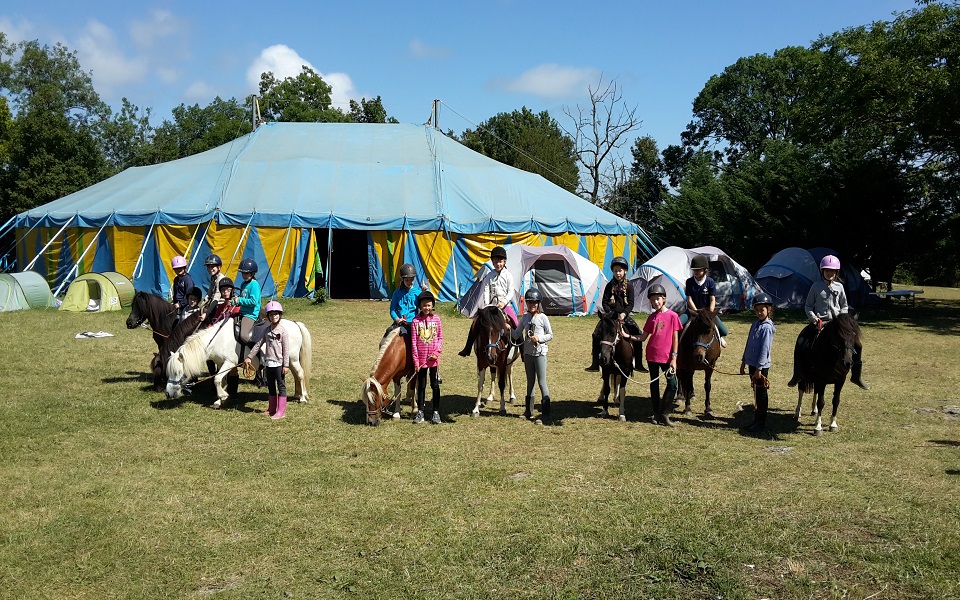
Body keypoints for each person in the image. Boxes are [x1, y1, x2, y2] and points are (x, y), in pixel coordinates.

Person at [788, 255, 869, 389]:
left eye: (832, 271)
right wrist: (814, 318)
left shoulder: (840, 287)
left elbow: (844, 305)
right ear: (822, 272)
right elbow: (808, 306)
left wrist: (842, 319)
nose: (829, 273)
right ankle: (797, 373)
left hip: (838, 324)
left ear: (836, 272)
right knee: (802, 340)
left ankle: (856, 376)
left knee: (857, 345)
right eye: (827, 271)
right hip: (820, 322)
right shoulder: (816, 287)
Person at [585, 256, 646, 372]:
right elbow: (604, 301)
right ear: (612, 271)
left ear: (625, 271)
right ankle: (595, 363)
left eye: (620, 271)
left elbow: (631, 304)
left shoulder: (629, 286)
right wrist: (609, 312)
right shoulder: (609, 285)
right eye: (615, 271)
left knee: (637, 332)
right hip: (610, 316)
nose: (618, 273)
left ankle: (638, 363)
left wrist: (624, 313)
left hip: (624, 316)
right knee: (596, 334)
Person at [636, 284, 682, 427]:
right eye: (653, 300)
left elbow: (675, 338)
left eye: (658, 299)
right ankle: (656, 412)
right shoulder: (651, 317)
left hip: (667, 357)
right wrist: (626, 335)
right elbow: (643, 338)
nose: (655, 302)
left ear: (664, 299)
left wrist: (674, 358)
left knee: (673, 384)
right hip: (652, 355)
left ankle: (665, 413)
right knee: (654, 384)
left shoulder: (673, 316)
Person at [459, 246, 518, 357]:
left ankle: (522, 349)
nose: (498, 264)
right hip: (491, 305)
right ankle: (467, 348)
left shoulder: (508, 275)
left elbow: (510, 292)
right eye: (495, 262)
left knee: (515, 322)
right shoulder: (489, 276)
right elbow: (486, 290)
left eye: (500, 261)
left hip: (505, 306)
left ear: (504, 261)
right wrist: (487, 305)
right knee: (475, 321)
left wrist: (504, 302)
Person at [514, 288, 553, 423]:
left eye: (534, 303)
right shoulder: (525, 318)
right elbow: (517, 333)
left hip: (540, 354)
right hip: (528, 354)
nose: (532, 305)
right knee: (530, 382)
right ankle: (528, 411)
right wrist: (507, 329)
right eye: (530, 302)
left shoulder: (543, 318)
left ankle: (545, 414)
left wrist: (539, 338)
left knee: (542, 382)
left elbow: (550, 334)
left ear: (538, 304)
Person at [244, 300, 289, 419]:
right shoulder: (266, 331)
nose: (274, 316)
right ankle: (271, 408)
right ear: (268, 317)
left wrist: (286, 365)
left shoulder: (283, 332)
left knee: (281, 386)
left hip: (279, 363)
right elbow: (258, 345)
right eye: (271, 314)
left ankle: (281, 411)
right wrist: (249, 357)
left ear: (280, 315)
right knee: (271, 386)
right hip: (268, 363)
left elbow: (286, 350)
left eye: (276, 314)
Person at [741, 293, 776, 433]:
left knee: (761, 394)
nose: (759, 313)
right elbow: (748, 343)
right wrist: (744, 361)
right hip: (752, 363)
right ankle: (756, 420)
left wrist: (759, 369)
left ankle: (761, 423)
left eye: (762, 310)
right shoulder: (755, 325)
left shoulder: (767, 327)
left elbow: (764, 349)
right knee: (756, 392)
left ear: (769, 310)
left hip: (760, 367)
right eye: (757, 310)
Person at [679, 254, 728, 347]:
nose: (696, 272)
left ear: (705, 270)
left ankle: (719, 336)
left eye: (698, 270)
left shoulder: (710, 281)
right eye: (694, 270)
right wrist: (696, 311)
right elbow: (689, 299)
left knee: (724, 331)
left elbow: (712, 299)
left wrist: (710, 312)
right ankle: (676, 343)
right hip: (693, 311)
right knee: (677, 325)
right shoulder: (689, 282)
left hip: (707, 311)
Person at [410, 290, 443, 424]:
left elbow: (440, 338)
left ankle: (436, 411)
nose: (427, 308)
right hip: (421, 361)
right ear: (420, 306)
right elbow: (413, 343)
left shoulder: (437, 319)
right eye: (424, 305)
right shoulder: (415, 321)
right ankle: (421, 411)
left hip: (434, 360)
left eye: (429, 305)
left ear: (432, 305)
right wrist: (416, 362)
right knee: (422, 386)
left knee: (435, 385)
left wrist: (437, 352)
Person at [233, 258, 261, 345]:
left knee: (244, 336)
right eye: (242, 273)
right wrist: (234, 301)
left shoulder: (254, 285)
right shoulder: (243, 284)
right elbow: (242, 297)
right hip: (242, 312)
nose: (244, 275)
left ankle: (256, 352)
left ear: (253, 273)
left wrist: (240, 300)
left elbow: (253, 302)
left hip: (250, 314)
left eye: (246, 273)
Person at [388, 263, 420, 337]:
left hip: (413, 323)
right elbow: (392, 310)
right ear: (402, 279)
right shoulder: (397, 293)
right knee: (387, 334)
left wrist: (425, 293)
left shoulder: (418, 293)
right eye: (407, 280)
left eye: (411, 280)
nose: (409, 282)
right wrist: (397, 319)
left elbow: (424, 306)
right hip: (399, 322)